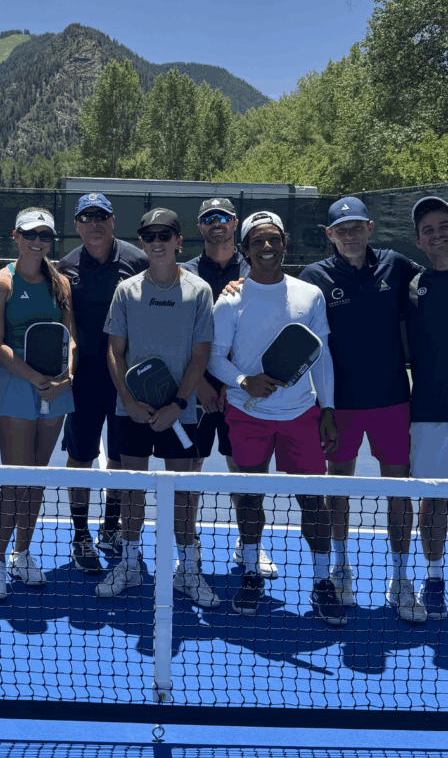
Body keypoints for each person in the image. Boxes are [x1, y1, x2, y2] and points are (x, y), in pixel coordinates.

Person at [208, 211, 346, 624]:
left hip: (301, 415)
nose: (267, 248)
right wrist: (244, 382)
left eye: (274, 240)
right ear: (245, 249)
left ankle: (323, 582)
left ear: (284, 242)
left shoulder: (310, 295)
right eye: (258, 242)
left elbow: (321, 358)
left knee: (313, 503)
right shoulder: (230, 298)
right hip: (246, 415)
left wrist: (327, 409)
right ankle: (251, 573)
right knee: (250, 499)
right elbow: (215, 357)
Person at [300, 197, 426, 621]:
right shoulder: (313, 277)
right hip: (340, 406)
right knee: (338, 487)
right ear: (329, 234)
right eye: (341, 229)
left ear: (370, 228)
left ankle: (401, 577)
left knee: (400, 490)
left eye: (357, 226)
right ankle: (340, 569)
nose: (350, 235)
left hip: (393, 400)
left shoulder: (398, 265)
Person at [98, 208, 218, 605]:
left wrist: (179, 403)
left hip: (180, 413)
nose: (157, 242)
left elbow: (200, 355)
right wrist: (129, 401)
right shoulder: (127, 290)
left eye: (166, 234)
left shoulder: (199, 291)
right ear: (143, 242)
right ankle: (130, 564)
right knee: (133, 492)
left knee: (182, 495)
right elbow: (114, 352)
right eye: (149, 236)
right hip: (131, 412)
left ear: (179, 241)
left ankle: (187, 569)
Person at [0, 208, 75, 600]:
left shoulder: (61, 284)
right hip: (17, 386)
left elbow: (71, 337)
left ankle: (22, 553)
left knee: (37, 476)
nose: (39, 242)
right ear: (16, 237)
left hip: (57, 387)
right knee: (15, 477)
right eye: (31, 234)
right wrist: (35, 378)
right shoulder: (0, 284)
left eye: (46, 236)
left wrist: (66, 377)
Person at [182, 197, 278, 579]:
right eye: (208, 218)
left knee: (244, 473)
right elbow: (182, 335)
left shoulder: (256, 269)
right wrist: (205, 384)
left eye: (223, 217)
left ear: (235, 223)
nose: (216, 223)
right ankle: (188, 548)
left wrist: (233, 384)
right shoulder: (184, 273)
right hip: (197, 392)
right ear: (200, 227)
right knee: (190, 472)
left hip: (242, 395)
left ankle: (249, 546)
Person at [57, 192, 148, 573]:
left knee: (121, 458)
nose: (94, 223)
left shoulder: (137, 260)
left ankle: (111, 527)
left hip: (126, 378)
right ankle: (81, 535)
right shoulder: (64, 267)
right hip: (84, 380)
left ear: (112, 221)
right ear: (77, 224)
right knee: (80, 457)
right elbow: (66, 323)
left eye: (102, 216)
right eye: (86, 217)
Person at [406, 196, 448, 619]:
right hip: (431, 411)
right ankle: (434, 576)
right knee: (433, 500)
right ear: (419, 241)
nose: (438, 233)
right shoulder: (413, 287)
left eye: (444, 224)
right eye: (429, 229)